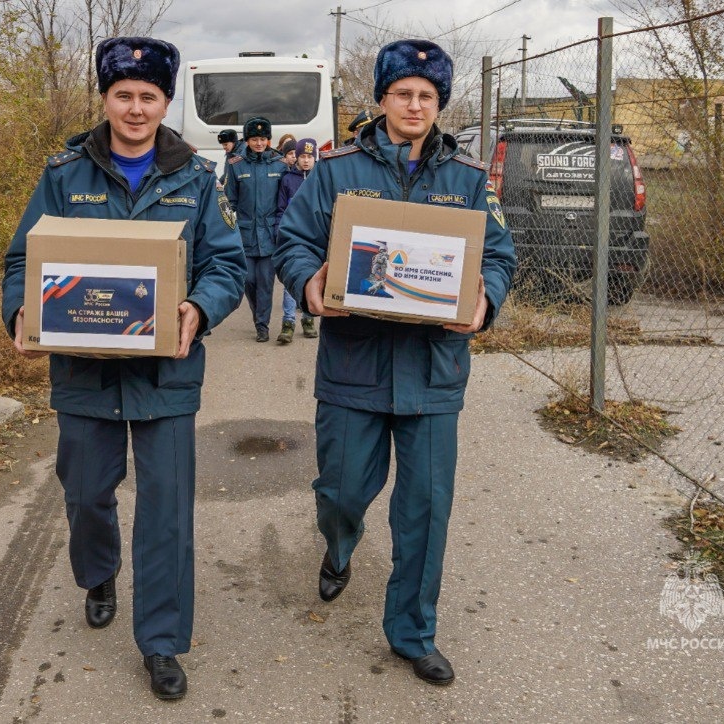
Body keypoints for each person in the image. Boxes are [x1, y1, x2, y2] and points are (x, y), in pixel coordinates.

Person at [1, 36, 246, 701]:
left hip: (166, 378)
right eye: (123, 95)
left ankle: (162, 641)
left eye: (149, 97)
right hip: (84, 374)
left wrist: (199, 308)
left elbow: (229, 263)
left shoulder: (197, 178)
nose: (136, 108)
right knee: (85, 493)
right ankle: (99, 570)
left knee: (166, 511)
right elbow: (24, 259)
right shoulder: (64, 173)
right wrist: (22, 312)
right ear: (106, 98)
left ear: (165, 103)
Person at [273, 39, 516, 686]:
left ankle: (412, 632)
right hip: (352, 367)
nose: (414, 105)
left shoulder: (467, 179)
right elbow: (292, 240)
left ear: (439, 104)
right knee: (343, 488)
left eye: (427, 96)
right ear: (382, 99)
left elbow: (499, 255)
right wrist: (308, 282)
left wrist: (486, 298)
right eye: (403, 93)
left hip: (433, 371)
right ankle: (339, 542)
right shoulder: (334, 170)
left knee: (426, 509)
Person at [223, 116, 287, 342]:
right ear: (247, 140)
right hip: (245, 233)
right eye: (254, 139)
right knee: (248, 280)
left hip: (270, 235)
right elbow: (229, 200)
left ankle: (263, 325)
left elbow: (285, 200)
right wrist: (229, 229)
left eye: (263, 139)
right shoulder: (236, 164)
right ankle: (257, 313)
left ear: (268, 140)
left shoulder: (280, 165)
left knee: (266, 282)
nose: (259, 143)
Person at [273, 137, 319, 342]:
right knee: (292, 279)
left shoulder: (320, 178)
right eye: (302, 156)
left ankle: (308, 319)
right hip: (294, 235)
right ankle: (288, 322)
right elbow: (281, 209)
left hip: (316, 236)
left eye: (310, 157)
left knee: (312, 278)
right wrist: (280, 232)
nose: (306, 161)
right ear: (296, 158)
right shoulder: (287, 180)